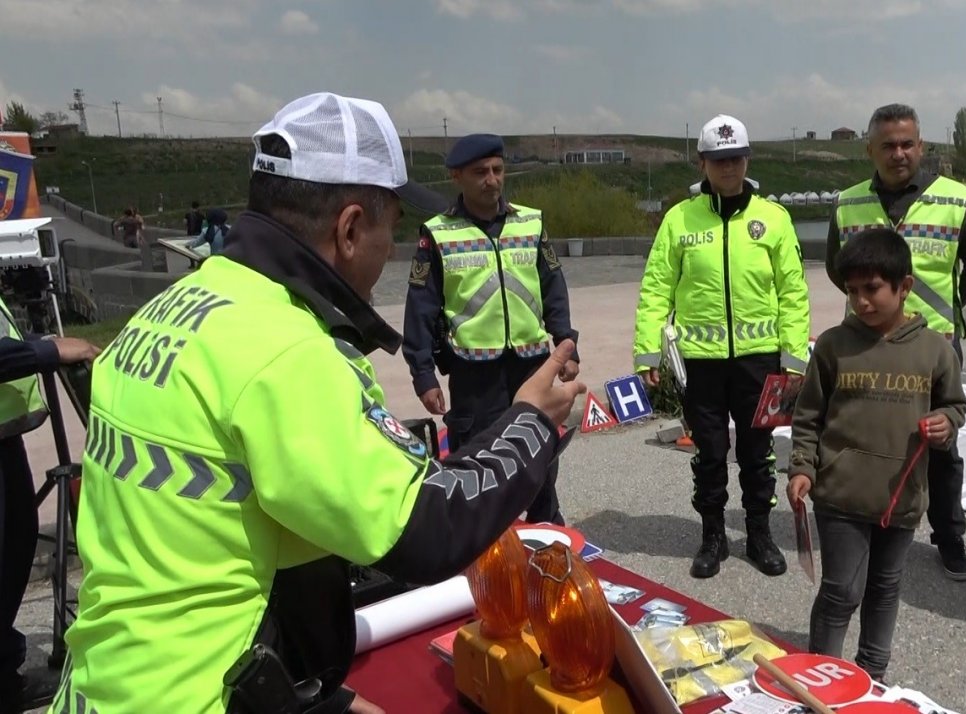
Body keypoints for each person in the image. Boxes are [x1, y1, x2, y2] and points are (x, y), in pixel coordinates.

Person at [50, 92, 586, 714]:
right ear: (351, 228)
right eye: (391, 228)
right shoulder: (288, 353)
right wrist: (532, 423)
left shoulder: (169, 311)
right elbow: (425, 529)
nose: (391, 250)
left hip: (107, 686)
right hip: (203, 696)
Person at [633, 114, 810, 579]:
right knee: (709, 452)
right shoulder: (679, 220)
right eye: (718, 160)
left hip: (762, 363)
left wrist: (795, 360)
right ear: (702, 163)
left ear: (746, 159)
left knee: (758, 452)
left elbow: (793, 293)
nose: (728, 168)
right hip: (701, 367)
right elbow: (656, 289)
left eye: (735, 159)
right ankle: (712, 535)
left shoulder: (774, 219)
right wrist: (648, 351)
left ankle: (758, 534)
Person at [788, 228, 966, 682]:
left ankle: (872, 676)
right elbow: (808, 415)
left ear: (904, 286)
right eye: (852, 291)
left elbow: (954, 405)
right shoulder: (832, 346)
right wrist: (803, 468)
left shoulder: (935, 350)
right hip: (840, 496)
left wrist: (946, 424)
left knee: (885, 589)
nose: (861, 302)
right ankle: (821, 673)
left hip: (902, 498)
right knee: (841, 591)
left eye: (872, 289)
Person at [826, 103, 966, 582]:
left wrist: (946, 310)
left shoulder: (957, 199)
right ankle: (861, 523)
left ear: (921, 146)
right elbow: (839, 270)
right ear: (870, 150)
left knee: (939, 446)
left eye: (907, 144)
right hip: (862, 346)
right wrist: (870, 314)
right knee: (860, 437)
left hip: (933, 345)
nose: (898, 154)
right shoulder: (848, 202)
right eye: (888, 146)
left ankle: (949, 537)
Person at [402, 133, 579, 526]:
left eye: (498, 170)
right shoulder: (438, 233)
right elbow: (421, 308)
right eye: (480, 172)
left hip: (531, 363)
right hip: (472, 373)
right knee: (477, 463)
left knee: (540, 455)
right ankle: (482, 551)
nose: (492, 179)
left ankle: (545, 532)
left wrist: (566, 344)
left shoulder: (530, 222)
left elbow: (553, 288)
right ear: (456, 177)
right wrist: (423, 374)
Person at [0, 300, 100, 713]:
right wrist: (49, 352)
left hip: (6, 436)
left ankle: (6, 675)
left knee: (15, 550)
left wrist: (37, 344)